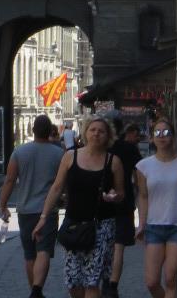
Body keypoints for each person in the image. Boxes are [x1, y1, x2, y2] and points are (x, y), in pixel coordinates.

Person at [33, 116, 124, 298]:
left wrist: (114, 196)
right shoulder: (70, 157)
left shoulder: (114, 161)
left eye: (101, 131)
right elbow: (56, 188)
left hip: (101, 227)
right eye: (93, 130)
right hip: (73, 225)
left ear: (108, 136)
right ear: (85, 132)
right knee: (74, 283)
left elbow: (121, 194)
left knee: (92, 281)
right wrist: (43, 218)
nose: (96, 134)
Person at [135, 116, 177, 298]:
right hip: (154, 227)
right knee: (152, 282)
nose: (161, 136)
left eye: (166, 132)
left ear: (173, 136)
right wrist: (141, 224)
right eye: (157, 132)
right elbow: (143, 196)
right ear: (152, 137)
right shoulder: (143, 166)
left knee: (171, 279)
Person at [0, 113, 62, 298]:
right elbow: (63, 183)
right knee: (44, 251)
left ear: (33, 130)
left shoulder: (19, 152)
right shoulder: (59, 154)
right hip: (47, 211)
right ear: (50, 131)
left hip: (25, 210)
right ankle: (37, 290)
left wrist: (3, 205)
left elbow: (10, 180)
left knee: (30, 254)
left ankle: (33, 291)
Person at [106, 122, 142, 298]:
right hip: (124, 200)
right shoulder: (130, 149)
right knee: (118, 246)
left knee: (103, 245)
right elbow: (139, 175)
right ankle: (113, 285)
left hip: (103, 202)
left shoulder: (103, 147)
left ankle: (103, 281)